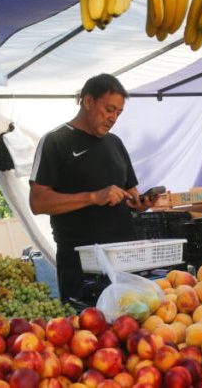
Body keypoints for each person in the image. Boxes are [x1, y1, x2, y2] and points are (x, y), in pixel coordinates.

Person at [29, 73, 155, 303]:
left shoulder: (115, 143)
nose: (113, 118)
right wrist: (93, 197)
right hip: (81, 268)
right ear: (88, 101)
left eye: (118, 113)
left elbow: (131, 193)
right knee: (86, 334)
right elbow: (38, 202)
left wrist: (141, 204)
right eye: (109, 109)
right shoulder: (56, 142)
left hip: (124, 262)